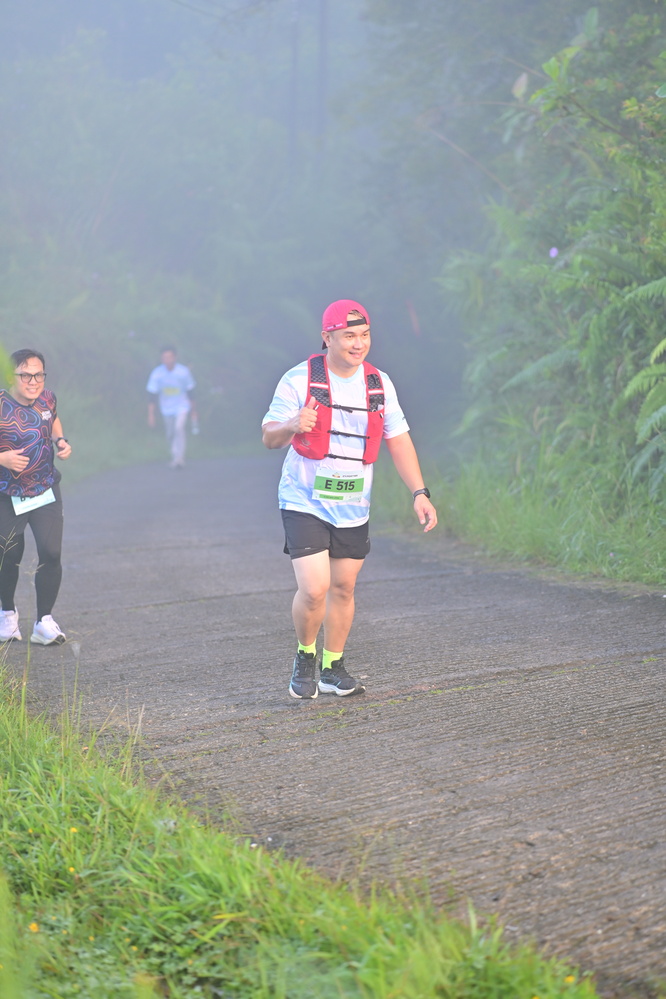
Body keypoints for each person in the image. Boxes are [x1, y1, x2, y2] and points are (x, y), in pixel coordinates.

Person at [262, 299, 437, 699]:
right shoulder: (298, 380)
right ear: (327, 338)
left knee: (343, 588)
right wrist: (292, 424)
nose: (358, 344)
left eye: (364, 335)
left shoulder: (378, 383)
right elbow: (269, 437)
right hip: (304, 498)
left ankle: (332, 667)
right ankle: (305, 655)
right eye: (349, 336)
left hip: (353, 502)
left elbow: (398, 439)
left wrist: (419, 492)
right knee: (315, 588)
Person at [0, 348, 72, 645]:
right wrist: (2, 459)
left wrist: (60, 440)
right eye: (26, 375)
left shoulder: (48, 398)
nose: (33, 381)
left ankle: (44, 622)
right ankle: (7, 614)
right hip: (8, 494)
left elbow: (52, 419)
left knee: (51, 553)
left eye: (38, 374)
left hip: (45, 490)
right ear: (12, 376)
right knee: (8, 555)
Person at [147, 347, 197, 468]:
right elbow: (151, 394)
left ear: (175, 357)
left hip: (182, 406)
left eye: (169, 357)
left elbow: (190, 391)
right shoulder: (157, 373)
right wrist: (151, 414)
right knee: (170, 433)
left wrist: (193, 410)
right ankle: (175, 455)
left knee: (179, 428)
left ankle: (179, 458)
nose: (167, 360)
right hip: (166, 408)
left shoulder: (183, 372)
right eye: (164, 357)